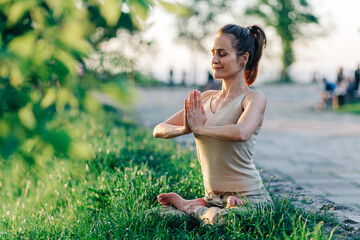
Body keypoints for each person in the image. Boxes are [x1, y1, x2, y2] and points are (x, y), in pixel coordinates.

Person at [152, 24, 273, 224]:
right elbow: (159, 129)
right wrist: (185, 128)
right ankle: (203, 207)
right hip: (214, 199)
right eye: (213, 53)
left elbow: (241, 132)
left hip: (250, 198)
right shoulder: (206, 98)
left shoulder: (253, 99)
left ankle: (189, 206)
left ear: (243, 59)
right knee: (157, 216)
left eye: (223, 54)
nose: (214, 60)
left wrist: (200, 128)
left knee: (225, 222)